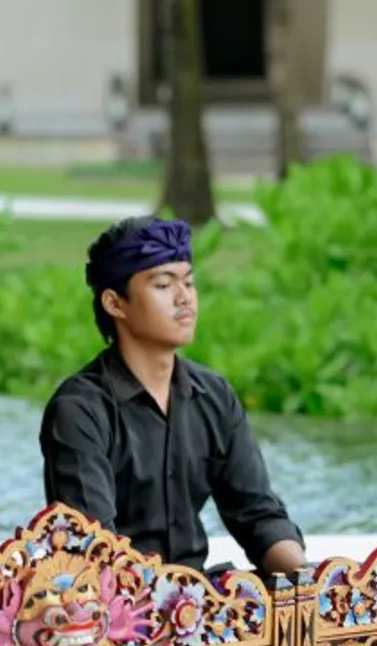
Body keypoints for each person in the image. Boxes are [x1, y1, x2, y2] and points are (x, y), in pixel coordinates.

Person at [39, 216, 307, 578]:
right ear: (115, 303)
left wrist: (311, 579)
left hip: (196, 598)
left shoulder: (214, 395)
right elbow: (93, 548)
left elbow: (258, 516)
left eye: (189, 283)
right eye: (164, 285)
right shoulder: (80, 409)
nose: (185, 298)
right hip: (115, 601)